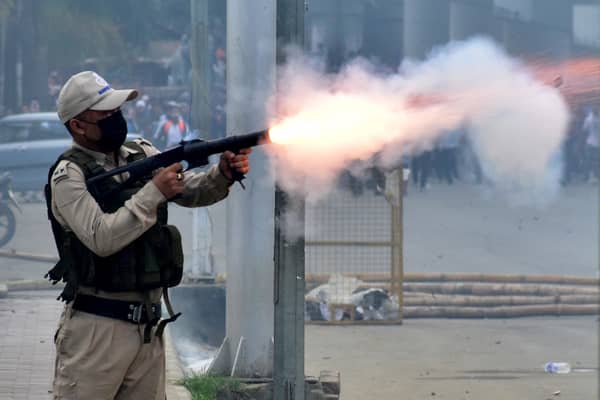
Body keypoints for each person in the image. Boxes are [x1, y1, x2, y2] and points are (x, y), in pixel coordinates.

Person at [45, 71, 252, 400]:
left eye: (117, 111)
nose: (116, 118)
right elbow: (101, 237)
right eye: (106, 114)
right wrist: (153, 192)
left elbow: (188, 190)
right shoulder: (68, 176)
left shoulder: (139, 152)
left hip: (148, 329)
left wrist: (221, 175)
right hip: (96, 331)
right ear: (78, 125)